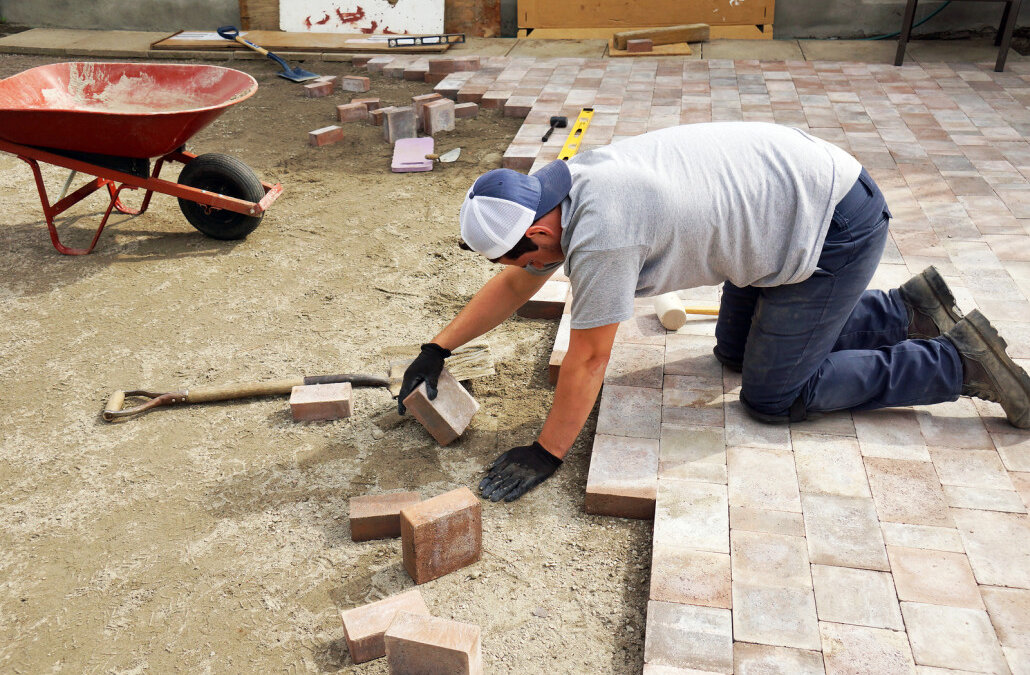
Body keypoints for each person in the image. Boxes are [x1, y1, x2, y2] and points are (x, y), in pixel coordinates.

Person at [397, 121, 1030, 503]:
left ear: (535, 230)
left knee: (775, 395)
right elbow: (516, 284)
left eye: (518, 256)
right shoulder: (561, 185)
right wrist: (438, 348)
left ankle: (953, 361)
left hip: (833, 220)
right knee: (734, 353)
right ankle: (904, 310)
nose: (523, 268)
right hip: (782, 209)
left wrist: (548, 451)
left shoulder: (604, 234)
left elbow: (590, 355)